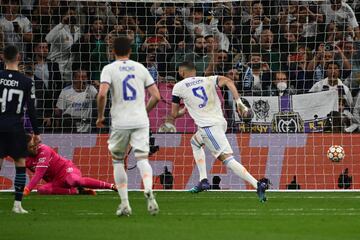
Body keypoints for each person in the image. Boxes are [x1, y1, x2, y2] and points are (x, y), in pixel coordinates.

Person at [171, 61, 270, 202]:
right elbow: (229, 81)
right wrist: (239, 102)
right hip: (220, 122)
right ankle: (203, 180)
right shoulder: (208, 79)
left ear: (181, 72)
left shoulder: (178, 87)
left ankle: (257, 184)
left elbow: (174, 114)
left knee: (227, 159)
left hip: (208, 127)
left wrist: (184, 110)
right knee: (195, 142)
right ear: (194, 71)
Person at [96, 36, 161, 216]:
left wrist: (100, 116)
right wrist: (144, 111)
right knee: (142, 158)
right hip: (140, 119)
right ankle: (148, 189)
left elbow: (102, 94)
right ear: (130, 51)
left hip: (120, 121)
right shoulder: (140, 68)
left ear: (113, 51)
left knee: (118, 161)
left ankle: (125, 204)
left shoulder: (109, 69)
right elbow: (156, 96)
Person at [0, 45, 40, 214]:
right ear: (19, 57)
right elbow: (31, 109)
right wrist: (36, 132)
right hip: (16, 127)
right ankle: (17, 205)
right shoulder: (26, 81)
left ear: (2, 57)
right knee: (20, 164)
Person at [23, 134, 116, 195]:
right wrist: (20, 188)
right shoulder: (24, 159)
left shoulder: (44, 150)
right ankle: (77, 191)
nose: (35, 147)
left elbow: (39, 173)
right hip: (56, 181)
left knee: (73, 180)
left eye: (35, 144)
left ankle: (111, 186)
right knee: (42, 190)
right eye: (31, 147)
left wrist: (27, 189)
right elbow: (20, 173)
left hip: (66, 170)